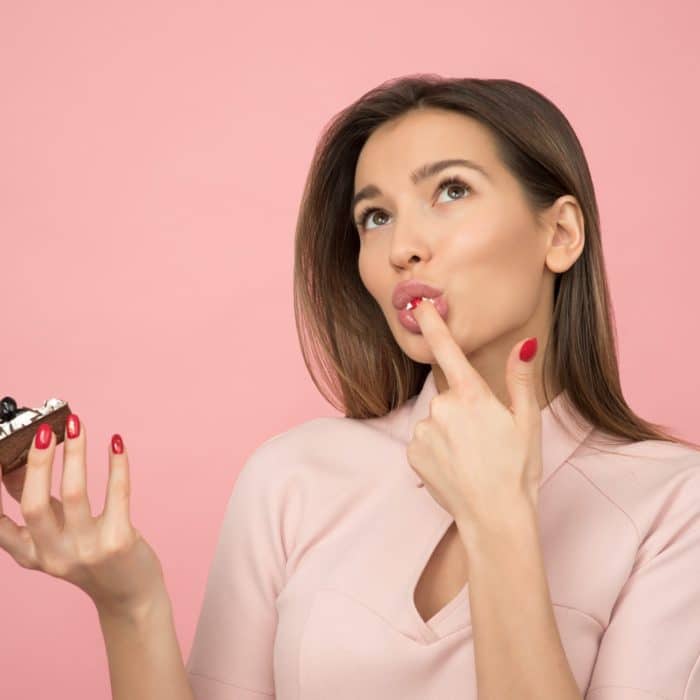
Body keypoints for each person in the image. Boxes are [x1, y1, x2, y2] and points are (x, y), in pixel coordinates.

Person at [2, 76, 699, 700]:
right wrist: (132, 606)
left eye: (450, 191)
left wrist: (499, 521)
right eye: (376, 216)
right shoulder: (295, 475)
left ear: (562, 232)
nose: (402, 248)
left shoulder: (674, 506)